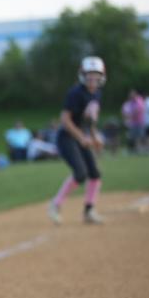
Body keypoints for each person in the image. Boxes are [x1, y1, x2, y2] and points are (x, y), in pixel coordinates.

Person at [48, 56, 106, 225]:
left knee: (95, 174)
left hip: (82, 137)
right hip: (67, 138)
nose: (92, 78)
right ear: (82, 75)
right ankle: (55, 205)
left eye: (96, 74)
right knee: (80, 174)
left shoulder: (97, 94)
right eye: (89, 74)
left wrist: (95, 138)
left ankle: (89, 211)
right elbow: (65, 120)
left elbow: (90, 121)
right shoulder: (76, 93)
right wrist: (82, 138)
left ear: (102, 76)